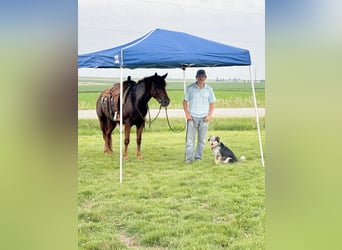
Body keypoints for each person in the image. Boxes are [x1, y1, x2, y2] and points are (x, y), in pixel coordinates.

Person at [183, 69, 216, 163]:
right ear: (196, 77)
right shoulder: (190, 88)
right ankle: (189, 159)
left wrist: (209, 115)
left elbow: (212, 103)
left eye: (203, 76)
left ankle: (198, 158)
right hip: (192, 118)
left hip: (204, 118)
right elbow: (185, 102)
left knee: (202, 140)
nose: (201, 78)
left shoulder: (209, 89)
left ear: (206, 77)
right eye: (199, 76)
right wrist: (187, 114)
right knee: (190, 140)